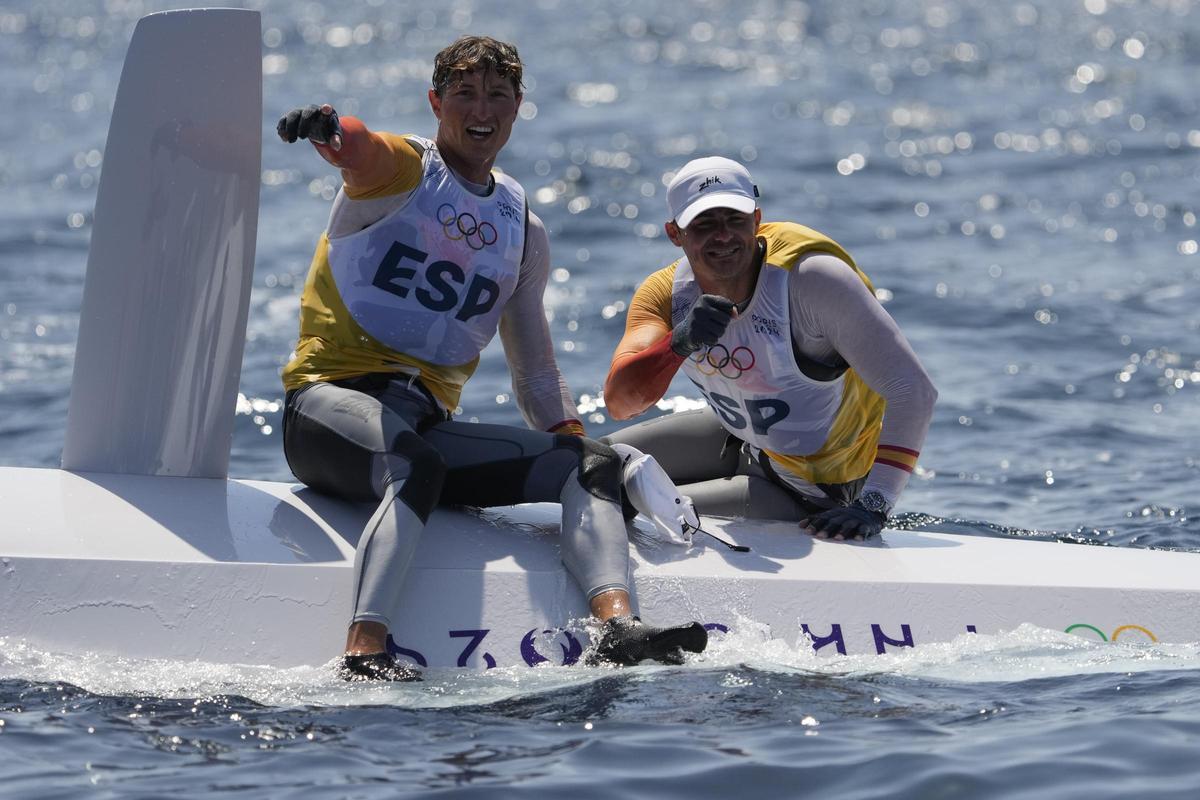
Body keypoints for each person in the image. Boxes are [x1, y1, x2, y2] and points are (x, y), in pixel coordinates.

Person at [276, 36, 706, 681]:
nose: (482, 109)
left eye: (498, 96)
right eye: (465, 94)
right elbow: (357, 147)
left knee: (592, 463)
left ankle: (614, 627)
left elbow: (533, 368)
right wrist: (330, 129)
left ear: (517, 107)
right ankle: (365, 652)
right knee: (411, 462)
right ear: (436, 103)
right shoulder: (401, 170)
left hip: (424, 421)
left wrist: (573, 449)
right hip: (328, 410)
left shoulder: (520, 225)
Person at [602, 156, 937, 541]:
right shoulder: (664, 294)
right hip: (741, 438)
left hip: (807, 489)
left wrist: (874, 507)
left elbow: (915, 391)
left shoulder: (812, 279)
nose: (724, 236)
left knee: (625, 500)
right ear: (675, 234)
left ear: (757, 220)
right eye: (705, 224)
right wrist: (678, 344)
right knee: (594, 465)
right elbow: (620, 403)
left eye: (736, 220)